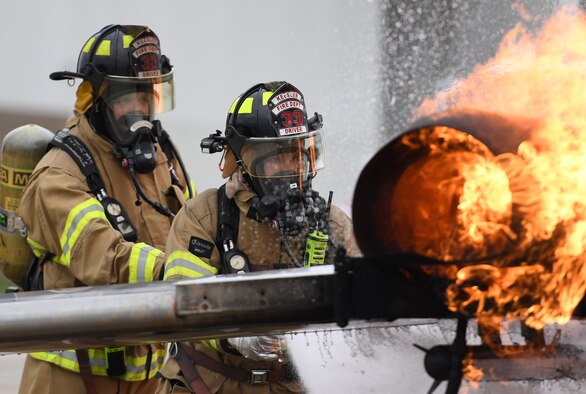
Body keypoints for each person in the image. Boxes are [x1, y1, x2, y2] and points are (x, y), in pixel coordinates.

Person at [18, 25, 195, 394]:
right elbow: (102, 256)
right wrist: (174, 271)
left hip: (149, 376)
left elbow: (190, 229)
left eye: (149, 97)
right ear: (96, 98)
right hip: (72, 378)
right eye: (129, 98)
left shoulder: (159, 153)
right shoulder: (58, 174)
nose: (142, 111)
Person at [157, 81, 360, 393]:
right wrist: (239, 335)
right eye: (276, 157)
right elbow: (183, 303)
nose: (290, 169)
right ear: (243, 161)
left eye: (296, 155)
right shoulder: (204, 216)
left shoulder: (331, 225)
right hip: (210, 384)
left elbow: (365, 308)